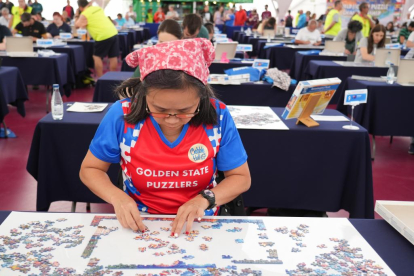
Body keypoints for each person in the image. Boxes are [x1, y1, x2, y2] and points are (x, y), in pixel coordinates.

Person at [79, 38, 251, 234]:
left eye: (185, 110)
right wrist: (117, 197)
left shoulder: (218, 115)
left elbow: (241, 177)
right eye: (159, 109)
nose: (171, 120)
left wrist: (205, 200)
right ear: (143, 95)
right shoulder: (122, 115)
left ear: (202, 97)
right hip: (139, 222)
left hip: (201, 223)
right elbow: (90, 169)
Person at [75, 0, 119, 78]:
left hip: (102, 35)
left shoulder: (84, 14)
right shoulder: (98, 8)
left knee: (96, 57)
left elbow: (76, 25)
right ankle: (113, 78)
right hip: (113, 32)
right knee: (113, 56)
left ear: (80, 7)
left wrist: (76, 15)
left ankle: (100, 79)